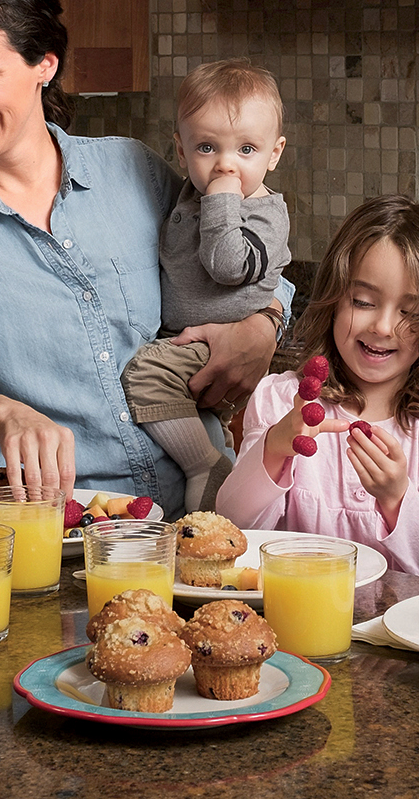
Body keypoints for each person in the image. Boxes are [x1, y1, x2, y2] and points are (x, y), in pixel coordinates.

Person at [0, 0, 290, 516]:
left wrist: (265, 324)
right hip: (49, 528)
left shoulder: (132, 170)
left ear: (44, 64)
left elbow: (248, 259)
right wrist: (0, 412)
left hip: (200, 513)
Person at [217, 195, 419, 581]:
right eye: (363, 301)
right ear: (335, 298)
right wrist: (275, 448)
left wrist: (396, 498)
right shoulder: (282, 401)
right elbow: (233, 527)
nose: (382, 327)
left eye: (411, 312)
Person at [120, 58, 291, 514]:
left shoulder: (263, 214)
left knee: (146, 374)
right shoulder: (189, 194)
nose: (226, 165)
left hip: (219, 338)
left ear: (275, 154)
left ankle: (202, 464)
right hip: (191, 337)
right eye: (208, 147)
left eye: (247, 150)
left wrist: (221, 200)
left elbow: (228, 265)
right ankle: (213, 491)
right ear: (181, 151)